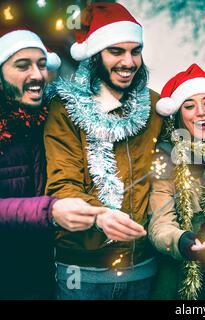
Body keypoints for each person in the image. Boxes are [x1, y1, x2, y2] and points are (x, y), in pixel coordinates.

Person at [44, 3, 162, 300]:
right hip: (81, 272)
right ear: (95, 55)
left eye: (135, 51)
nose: (129, 61)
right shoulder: (66, 109)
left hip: (143, 267)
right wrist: (99, 216)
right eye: (116, 52)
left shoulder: (154, 107)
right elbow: (62, 184)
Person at [0, 28, 106, 299]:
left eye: (42, 65)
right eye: (23, 66)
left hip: (44, 275)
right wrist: (49, 211)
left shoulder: (50, 120)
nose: (37, 75)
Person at [148, 63, 205, 300]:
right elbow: (160, 221)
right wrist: (181, 240)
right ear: (177, 115)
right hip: (178, 273)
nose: (201, 112)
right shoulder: (165, 157)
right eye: (189, 106)